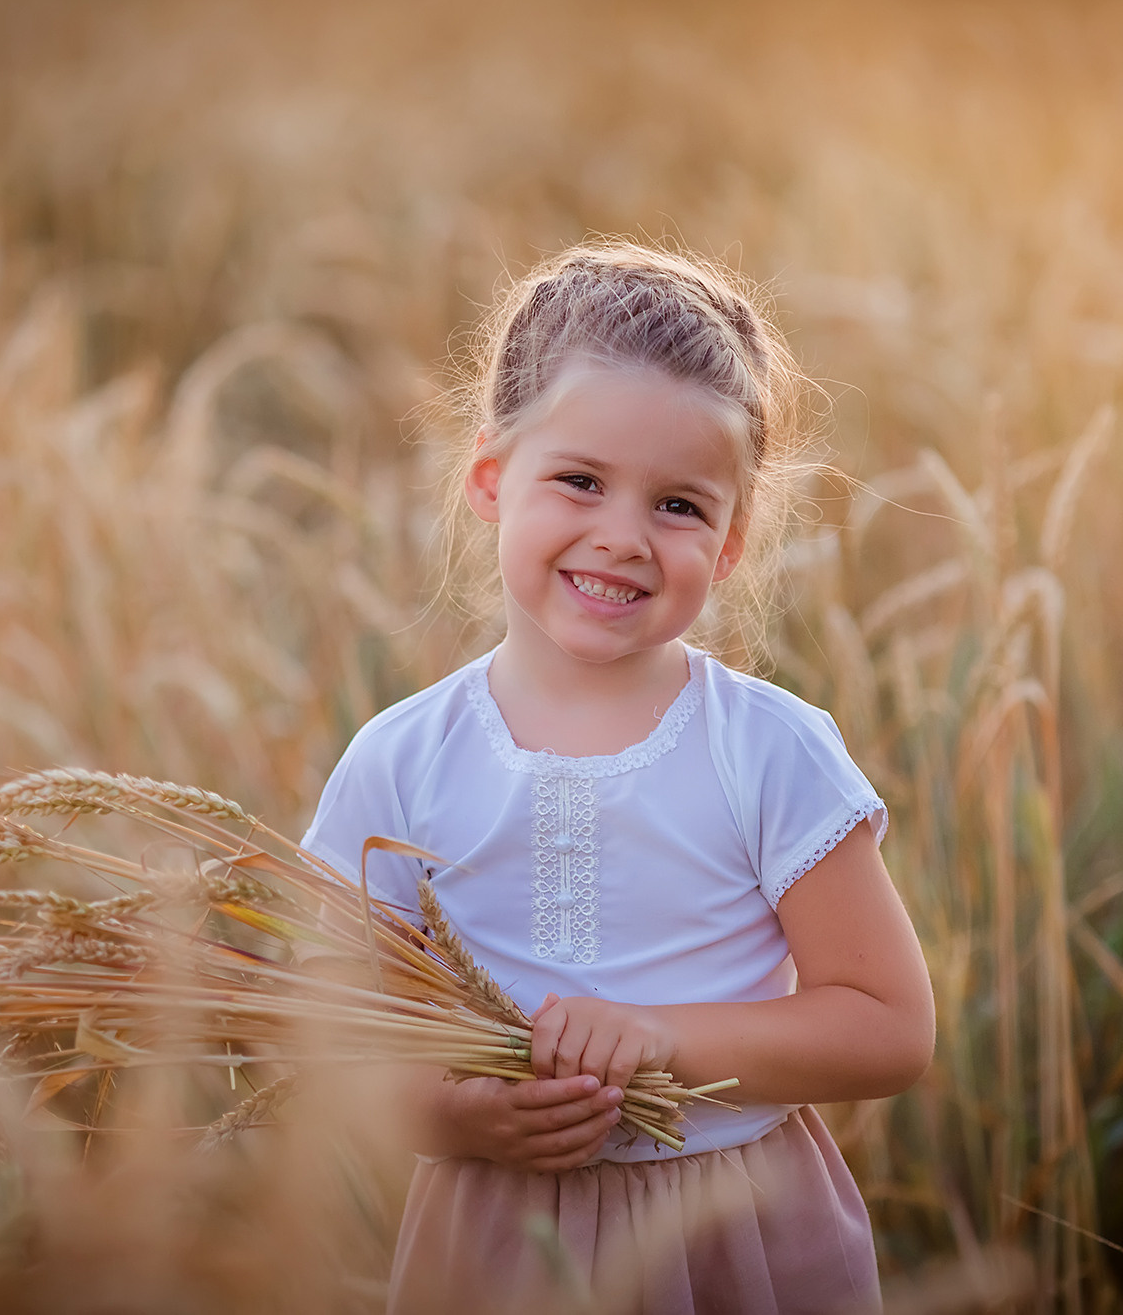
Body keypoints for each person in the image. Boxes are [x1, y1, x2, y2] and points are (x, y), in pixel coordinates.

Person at [302, 241, 934, 1314]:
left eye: (679, 505)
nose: (622, 537)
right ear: (491, 480)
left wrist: (659, 1038)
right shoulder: (400, 763)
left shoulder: (766, 750)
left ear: (732, 541)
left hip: (735, 1229)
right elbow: (322, 1042)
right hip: (494, 1234)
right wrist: (450, 1117)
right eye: (581, 481)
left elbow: (887, 1024)